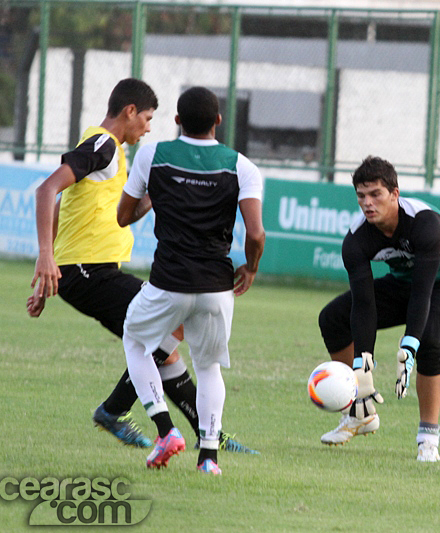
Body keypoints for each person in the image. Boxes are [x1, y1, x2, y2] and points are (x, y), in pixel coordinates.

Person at [27, 78, 254, 454]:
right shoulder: (103, 144)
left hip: (85, 271)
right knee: (166, 332)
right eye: (147, 118)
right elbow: (46, 190)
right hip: (88, 271)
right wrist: (46, 256)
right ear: (130, 111)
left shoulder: (108, 150)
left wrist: (48, 271)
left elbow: (61, 206)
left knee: (164, 342)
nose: (148, 127)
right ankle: (142, 420)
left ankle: (198, 431)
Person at [117, 86, 265, 474]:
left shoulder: (152, 154)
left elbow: (123, 215)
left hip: (168, 282)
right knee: (209, 367)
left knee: (135, 340)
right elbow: (256, 233)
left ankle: (165, 429)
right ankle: (209, 459)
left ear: (178, 120)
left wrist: (156, 195)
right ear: (218, 121)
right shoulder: (242, 166)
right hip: (217, 287)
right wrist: (249, 267)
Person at [317, 156, 440, 462]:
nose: (368, 203)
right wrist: (363, 366)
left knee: (429, 341)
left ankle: (428, 439)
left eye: (376, 194)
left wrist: (409, 344)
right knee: (333, 318)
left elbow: (424, 292)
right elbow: (363, 304)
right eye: (361, 196)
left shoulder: (425, 222)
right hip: (402, 284)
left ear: (395, 195)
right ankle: (359, 412)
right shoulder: (356, 240)